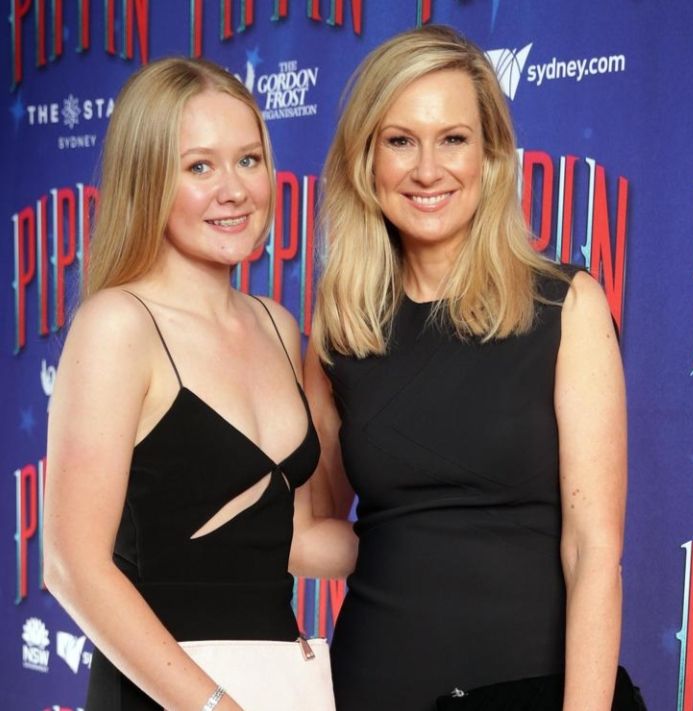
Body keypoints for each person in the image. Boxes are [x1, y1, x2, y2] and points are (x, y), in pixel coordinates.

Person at [306, 25, 637, 711]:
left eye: (453, 138)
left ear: (490, 157)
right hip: (372, 687)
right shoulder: (340, 330)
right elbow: (310, 532)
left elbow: (592, 550)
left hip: (530, 691)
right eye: (400, 141)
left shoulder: (565, 305)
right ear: (366, 160)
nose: (428, 170)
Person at [44, 57, 354, 711]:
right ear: (149, 179)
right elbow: (73, 565)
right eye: (199, 167)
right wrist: (215, 706)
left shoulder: (276, 324)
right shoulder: (118, 325)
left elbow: (295, 539)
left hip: (279, 683)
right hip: (165, 696)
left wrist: (439, 538)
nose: (233, 189)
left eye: (248, 160)